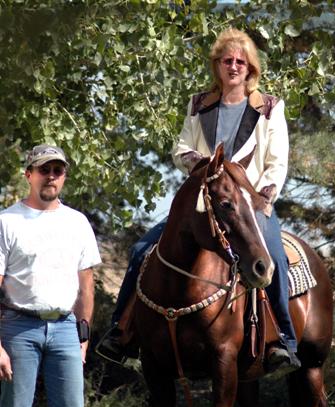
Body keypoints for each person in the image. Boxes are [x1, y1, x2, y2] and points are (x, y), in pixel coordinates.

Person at [96, 27, 301, 375]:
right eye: (227, 61)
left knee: (273, 256)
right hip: (202, 204)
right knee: (141, 250)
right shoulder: (199, 104)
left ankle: (284, 340)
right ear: (217, 65)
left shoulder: (269, 108)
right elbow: (181, 148)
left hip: (249, 205)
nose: (234, 66)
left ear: (250, 68)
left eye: (241, 61)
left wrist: (262, 199)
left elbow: (277, 162)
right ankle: (121, 333)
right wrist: (203, 166)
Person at [0, 144, 101, 407]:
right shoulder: (6, 221)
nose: (51, 176)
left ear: (64, 177)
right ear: (29, 174)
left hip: (65, 332)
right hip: (17, 329)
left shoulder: (77, 223)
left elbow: (86, 284)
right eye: (44, 169)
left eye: (57, 170)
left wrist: (83, 336)